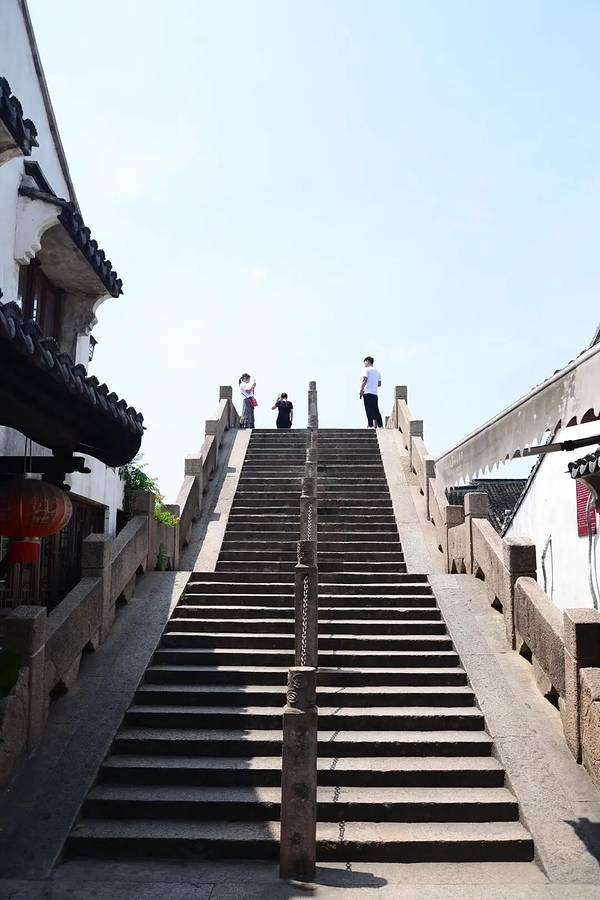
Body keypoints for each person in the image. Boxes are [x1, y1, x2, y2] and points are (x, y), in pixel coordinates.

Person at [359, 355, 383, 428]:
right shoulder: (378, 372)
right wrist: (373, 383)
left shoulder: (367, 370)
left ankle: (370, 425)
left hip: (367, 392)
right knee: (376, 409)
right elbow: (379, 384)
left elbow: (364, 380)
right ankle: (380, 425)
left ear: (368, 361)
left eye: (365, 362)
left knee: (368, 410)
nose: (364, 364)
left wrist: (361, 390)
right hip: (374, 393)